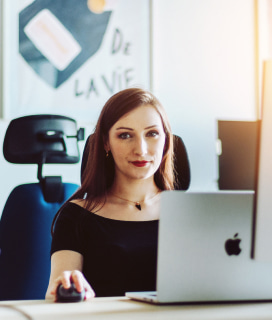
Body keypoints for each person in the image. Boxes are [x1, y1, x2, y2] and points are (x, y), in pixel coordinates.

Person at [45, 87, 176, 301]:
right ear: (106, 142)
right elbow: (57, 290)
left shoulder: (193, 212)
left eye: (152, 134)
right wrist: (67, 288)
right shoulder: (76, 216)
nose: (141, 149)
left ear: (166, 140)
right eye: (125, 135)